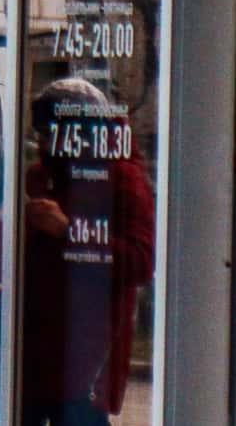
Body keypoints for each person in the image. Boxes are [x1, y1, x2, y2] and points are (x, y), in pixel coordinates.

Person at [22, 78, 154, 426]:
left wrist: (68, 232)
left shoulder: (122, 178)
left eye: (49, 135)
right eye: (40, 135)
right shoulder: (41, 174)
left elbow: (141, 261)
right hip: (33, 351)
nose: (42, 144)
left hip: (87, 357)